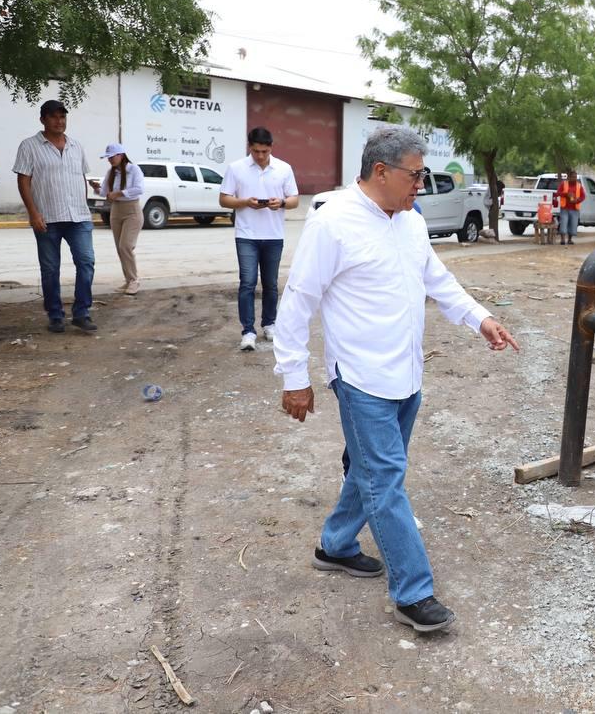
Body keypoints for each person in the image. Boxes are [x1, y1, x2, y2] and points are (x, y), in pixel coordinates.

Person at [275, 125, 519, 633]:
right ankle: (414, 593)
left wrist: (480, 319)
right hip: (361, 378)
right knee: (385, 480)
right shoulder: (334, 222)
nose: (421, 185)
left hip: (406, 374)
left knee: (372, 471)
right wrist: (294, 376)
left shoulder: (409, 221)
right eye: (416, 174)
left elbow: (437, 280)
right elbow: (298, 301)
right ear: (381, 172)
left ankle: (336, 546)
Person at [13, 99, 98, 333]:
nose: (59, 121)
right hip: (47, 218)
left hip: (78, 218)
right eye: (53, 116)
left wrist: (84, 205)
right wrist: (33, 213)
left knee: (86, 262)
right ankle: (55, 315)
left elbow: (80, 178)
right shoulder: (29, 146)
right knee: (50, 269)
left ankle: (82, 312)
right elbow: (23, 180)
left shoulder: (76, 146)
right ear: (42, 119)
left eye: (62, 116)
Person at [218, 127, 298, 351]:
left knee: (271, 284)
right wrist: (245, 202)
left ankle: (269, 324)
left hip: (274, 235)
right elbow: (224, 200)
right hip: (246, 235)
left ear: (271, 147)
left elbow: (294, 200)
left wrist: (280, 203)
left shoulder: (284, 168)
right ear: (249, 147)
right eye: (256, 151)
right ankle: (248, 331)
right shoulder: (236, 168)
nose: (260, 155)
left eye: (264, 151)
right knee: (247, 283)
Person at [92, 144, 145, 295]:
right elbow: (104, 193)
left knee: (125, 246)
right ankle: (128, 280)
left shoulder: (134, 169)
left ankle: (134, 280)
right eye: (108, 157)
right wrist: (96, 188)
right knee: (119, 248)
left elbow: (140, 189)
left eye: (112, 156)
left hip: (132, 211)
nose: (110, 160)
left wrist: (120, 193)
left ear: (121, 155)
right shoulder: (111, 172)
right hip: (116, 211)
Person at [556, 169, 585, 245]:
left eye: (575, 177)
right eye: (572, 177)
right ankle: (562, 240)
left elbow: (583, 196)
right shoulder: (563, 184)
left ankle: (570, 239)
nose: (574, 178)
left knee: (573, 224)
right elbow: (558, 193)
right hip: (565, 208)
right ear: (568, 177)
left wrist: (577, 200)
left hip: (574, 209)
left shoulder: (579, 186)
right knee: (564, 223)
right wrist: (566, 194)